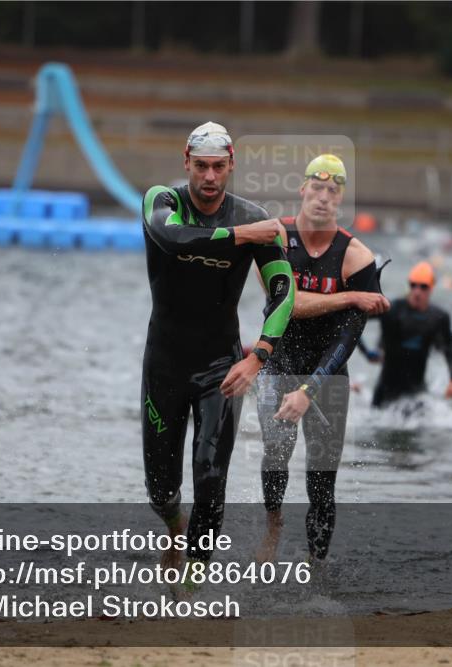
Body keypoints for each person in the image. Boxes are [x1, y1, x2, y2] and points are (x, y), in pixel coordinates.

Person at [141, 121, 295, 574]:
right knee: (161, 491)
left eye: (219, 167)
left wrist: (259, 355)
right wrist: (244, 237)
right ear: (186, 162)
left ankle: (192, 585)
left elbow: (284, 292)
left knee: (210, 478)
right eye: (202, 166)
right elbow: (171, 238)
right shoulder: (162, 201)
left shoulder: (252, 214)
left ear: (231, 166)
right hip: (165, 366)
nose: (209, 177)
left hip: (221, 368)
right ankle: (174, 528)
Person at [255, 154, 387, 564]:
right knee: (275, 454)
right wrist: (347, 296)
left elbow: (349, 337)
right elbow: (285, 304)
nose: (323, 197)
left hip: (329, 372)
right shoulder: (275, 239)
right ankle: (273, 527)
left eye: (333, 191)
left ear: (341, 199)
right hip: (278, 365)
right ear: (302, 190)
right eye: (317, 187)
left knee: (322, 481)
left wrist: (311, 388)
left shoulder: (357, 256)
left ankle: (316, 567)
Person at [365, 261, 452, 408]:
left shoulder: (439, 317)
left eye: (423, 287)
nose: (417, 291)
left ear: (432, 288)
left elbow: (449, 348)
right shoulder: (391, 309)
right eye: (413, 285)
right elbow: (353, 322)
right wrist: (367, 353)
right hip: (386, 391)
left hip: (417, 392)